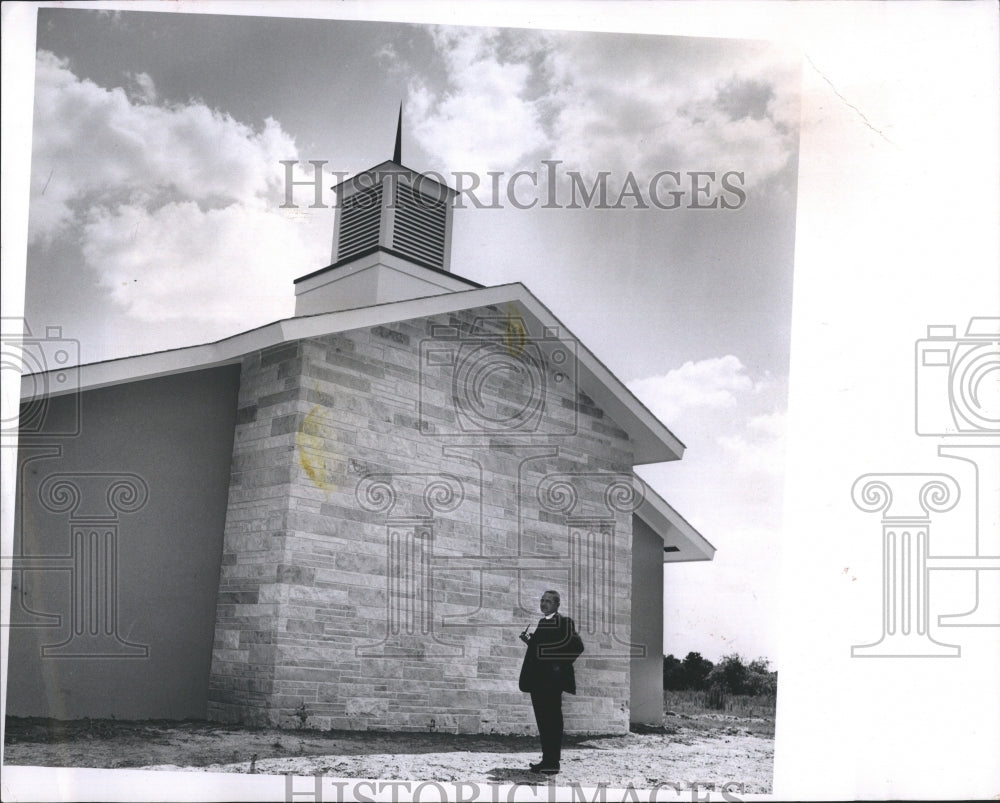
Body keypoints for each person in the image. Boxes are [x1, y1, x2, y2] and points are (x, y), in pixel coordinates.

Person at [518, 589, 584, 774]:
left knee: (552, 722)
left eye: (548, 601)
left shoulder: (564, 622)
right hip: (537, 682)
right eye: (542, 600)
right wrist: (530, 642)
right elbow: (542, 650)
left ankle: (553, 763)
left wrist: (558, 666)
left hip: (552, 683)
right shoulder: (542, 622)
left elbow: (577, 646)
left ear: (557, 604)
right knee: (543, 722)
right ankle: (547, 760)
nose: (543, 603)